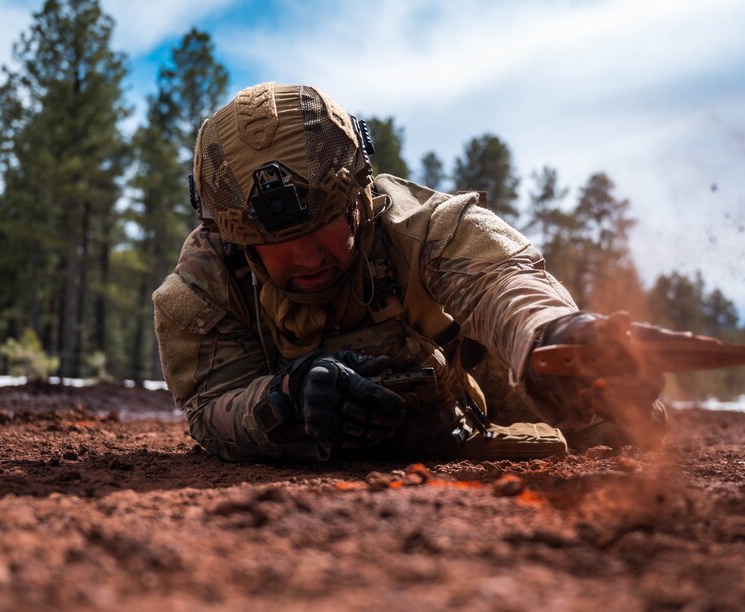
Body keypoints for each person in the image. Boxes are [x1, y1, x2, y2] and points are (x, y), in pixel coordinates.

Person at [153, 82, 675, 463]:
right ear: (239, 239)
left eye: (323, 229)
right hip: (321, 425)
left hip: (477, 384)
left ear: (357, 198)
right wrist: (285, 401)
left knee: (622, 414)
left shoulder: (424, 227)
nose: (308, 258)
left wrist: (552, 334)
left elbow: (502, 281)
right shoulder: (206, 283)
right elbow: (210, 406)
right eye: (278, 246)